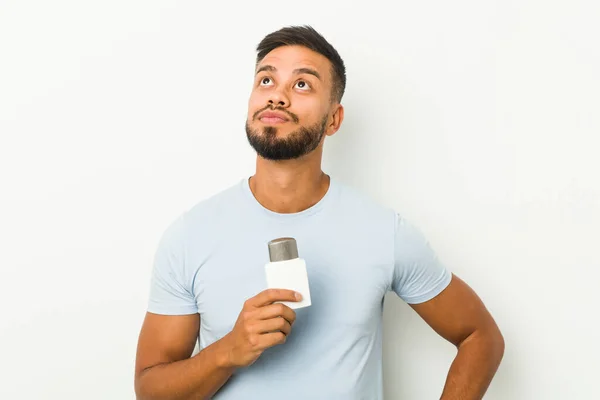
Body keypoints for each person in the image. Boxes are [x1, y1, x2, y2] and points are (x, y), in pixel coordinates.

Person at [134, 25, 504, 400]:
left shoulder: (383, 232)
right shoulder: (190, 235)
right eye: (266, 79)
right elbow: (150, 390)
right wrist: (226, 352)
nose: (277, 96)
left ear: (334, 119)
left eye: (301, 85)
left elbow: (479, 337)